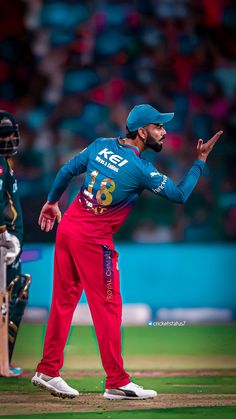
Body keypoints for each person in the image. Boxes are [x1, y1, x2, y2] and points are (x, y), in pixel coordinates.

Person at [32, 104, 222, 400]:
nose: (164, 131)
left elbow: (66, 170)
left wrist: (52, 202)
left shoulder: (101, 145)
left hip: (68, 227)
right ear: (143, 132)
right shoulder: (141, 169)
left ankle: (48, 369)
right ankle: (116, 382)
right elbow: (181, 194)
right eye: (159, 127)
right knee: (108, 307)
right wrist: (200, 161)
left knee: (63, 301)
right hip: (94, 241)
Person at [0, 110, 31, 377]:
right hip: (4, 245)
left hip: (10, 244)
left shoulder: (5, 163)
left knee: (15, 294)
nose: (9, 139)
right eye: (3, 135)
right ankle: (3, 363)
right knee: (15, 295)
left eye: (11, 134)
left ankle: (3, 363)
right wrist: (3, 234)